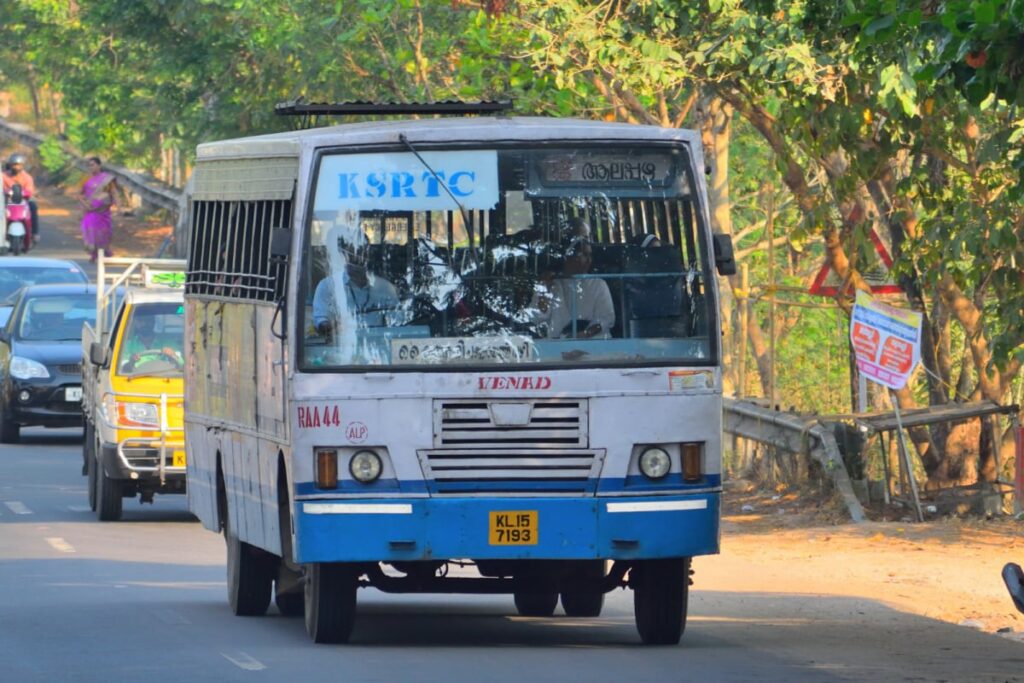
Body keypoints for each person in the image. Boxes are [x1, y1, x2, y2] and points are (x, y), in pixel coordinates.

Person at [529, 217, 615, 339]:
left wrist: (585, 334)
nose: (589, 260)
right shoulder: (550, 283)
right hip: (558, 350)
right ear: (569, 256)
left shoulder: (598, 284)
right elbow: (536, 317)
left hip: (596, 348)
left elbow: (606, 319)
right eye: (584, 255)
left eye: (590, 255)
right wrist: (544, 292)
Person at [312, 230, 401, 338]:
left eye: (361, 251)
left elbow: (398, 325)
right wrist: (333, 325)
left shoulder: (385, 288)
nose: (357, 257)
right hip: (342, 349)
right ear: (343, 254)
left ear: (368, 254)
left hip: (379, 348)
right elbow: (321, 322)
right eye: (352, 252)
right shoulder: (328, 286)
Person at [79, 156, 121, 262]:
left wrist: (119, 207)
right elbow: (80, 194)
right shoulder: (86, 179)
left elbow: (114, 192)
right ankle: (94, 253)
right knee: (91, 231)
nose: (91, 167)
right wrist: (84, 204)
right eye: (89, 165)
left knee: (103, 232)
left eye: (93, 165)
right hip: (90, 211)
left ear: (99, 165)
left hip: (103, 211)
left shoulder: (106, 179)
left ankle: (104, 252)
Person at [2, 153, 39, 244]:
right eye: (14, 164)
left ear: (22, 166)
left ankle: (34, 233)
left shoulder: (27, 178)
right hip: (6, 200)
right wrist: (6, 192)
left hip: (23, 200)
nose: (16, 167)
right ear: (10, 165)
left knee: (33, 206)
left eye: (19, 165)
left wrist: (24, 193)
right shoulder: (3, 176)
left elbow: (30, 190)